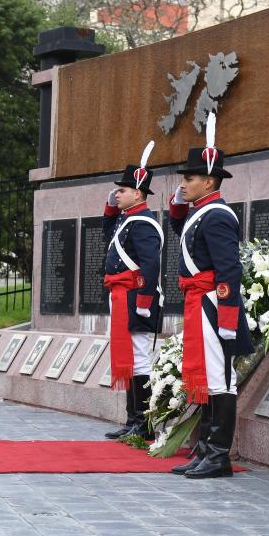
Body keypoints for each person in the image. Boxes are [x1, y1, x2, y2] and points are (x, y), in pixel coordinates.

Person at [168, 113, 253, 479]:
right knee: (206, 378)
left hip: (213, 304)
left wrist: (228, 317)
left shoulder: (217, 215)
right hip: (198, 302)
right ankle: (205, 450)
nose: (183, 184)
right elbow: (180, 228)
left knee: (220, 379)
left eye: (188, 179)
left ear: (209, 180)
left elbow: (229, 270)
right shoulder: (200, 213)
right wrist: (178, 199)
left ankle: (218, 455)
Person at [102, 142, 163, 441]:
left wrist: (143, 302)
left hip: (136, 298)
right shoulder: (126, 220)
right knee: (129, 357)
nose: (117, 193)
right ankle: (132, 419)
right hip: (121, 296)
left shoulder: (143, 224)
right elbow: (108, 234)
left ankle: (145, 423)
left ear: (137, 193)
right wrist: (110, 207)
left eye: (122, 190)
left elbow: (150, 266)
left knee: (140, 359)